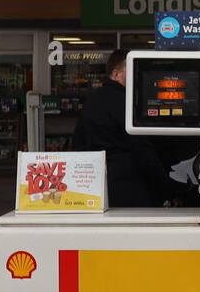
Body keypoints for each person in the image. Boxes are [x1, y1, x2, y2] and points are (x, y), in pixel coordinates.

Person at [71, 50, 169, 208]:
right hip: (131, 185)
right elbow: (141, 147)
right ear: (116, 74)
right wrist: (164, 186)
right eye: (131, 71)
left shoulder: (91, 100)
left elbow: (78, 143)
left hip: (96, 184)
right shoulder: (127, 102)